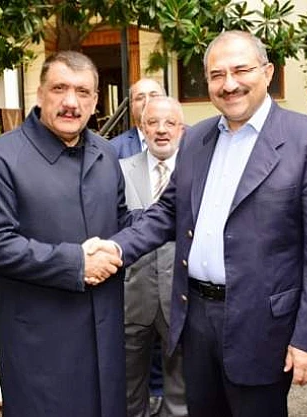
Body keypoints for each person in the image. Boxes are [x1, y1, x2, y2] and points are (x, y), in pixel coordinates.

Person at [90, 31, 307, 416]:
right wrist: (116, 247)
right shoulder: (196, 139)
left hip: (262, 326)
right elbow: (168, 212)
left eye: (241, 70)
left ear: (267, 72)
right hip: (195, 319)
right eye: (216, 75)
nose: (229, 84)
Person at [0, 51, 133, 417]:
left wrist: (167, 214)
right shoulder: (1, 157)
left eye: (82, 92)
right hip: (41, 342)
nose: (71, 102)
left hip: (104, 334)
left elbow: (120, 219)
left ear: (95, 101)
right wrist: (77, 263)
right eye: (59, 88)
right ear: (41, 93)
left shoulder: (106, 154)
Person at [121, 96, 187, 417]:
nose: (161, 130)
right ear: (142, 128)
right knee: (127, 388)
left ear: (181, 129)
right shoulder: (118, 170)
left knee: (181, 390)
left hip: (181, 298)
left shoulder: (196, 172)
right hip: (131, 299)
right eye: (152, 123)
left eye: (170, 123)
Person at [110, 78, 165, 158]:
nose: (147, 102)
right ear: (132, 106)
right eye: (140, 98)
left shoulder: (184, 141)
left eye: (154, 96)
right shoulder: (114, 149)